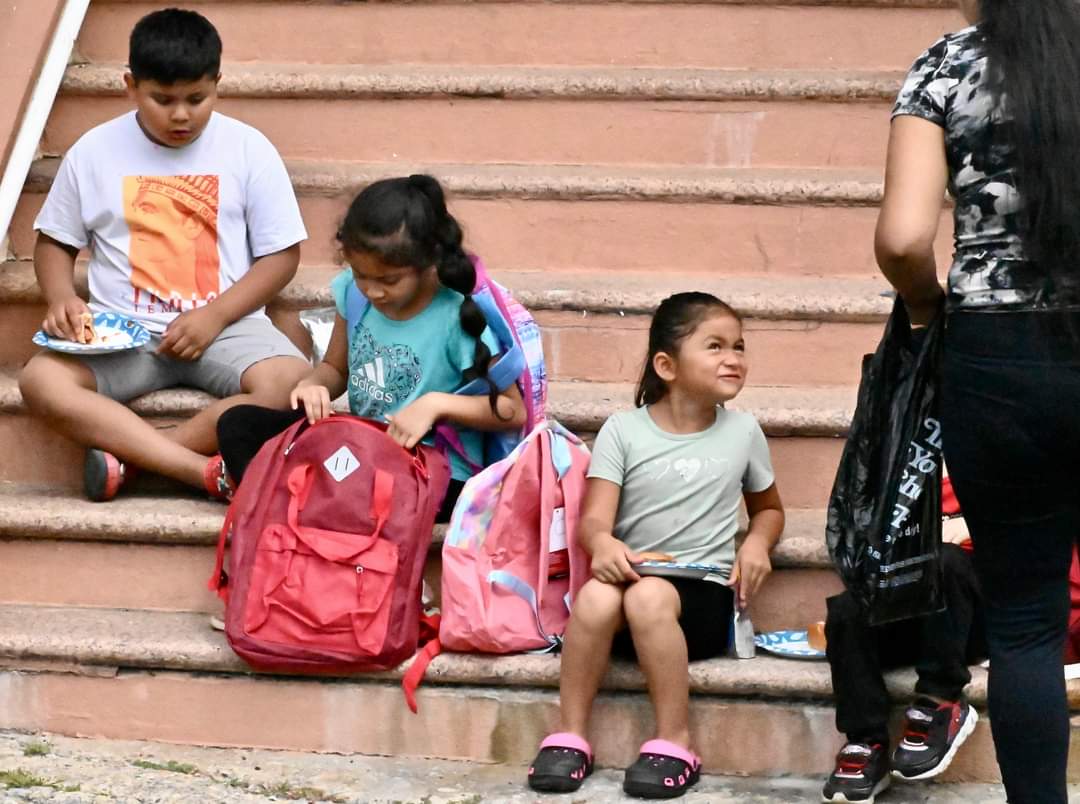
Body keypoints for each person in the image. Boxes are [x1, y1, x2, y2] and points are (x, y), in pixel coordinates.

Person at [874, 1, 1080, 800]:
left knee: (1026, 626)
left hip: (1000, 362)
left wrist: (928, 307)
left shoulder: (948, 64)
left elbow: (901, 239)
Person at [18, 8, 310, 502]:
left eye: (197, 98)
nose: (181, 114)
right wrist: (61, 297)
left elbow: (282, 255)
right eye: (163, 99)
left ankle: (134, 462)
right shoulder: (94, 151)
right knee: (41, 381)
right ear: (130, 85)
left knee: (293, 384)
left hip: (227, 325)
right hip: (123, 332)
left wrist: (215, 315)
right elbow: (55, 241)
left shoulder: (248, 149)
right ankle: (196, 471)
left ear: (218, 82)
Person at [526, 292, 784, 799]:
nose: (733, 358)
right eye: (715, 346)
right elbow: (593, 521)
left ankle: (675, 739)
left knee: (649, 598)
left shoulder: (743, 431)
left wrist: (757, 543)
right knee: (599, 597)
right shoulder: (624, 430)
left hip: (703, 600)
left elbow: (769, 509)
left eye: (739, 346)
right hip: (633, 585)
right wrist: (602, 546)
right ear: (666, 365)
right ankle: (571, 734)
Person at [216, 175, 526, 522]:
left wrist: (436, 405)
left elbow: (513, 410)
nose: (373, 291)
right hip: (362, 448)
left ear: (428, 264)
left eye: (389, 281)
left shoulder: (457, 314)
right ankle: (305, 502)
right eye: (361, 274)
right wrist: (313, 385)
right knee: (237, 423)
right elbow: (335, 369)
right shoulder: (353, 291)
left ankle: (293, 503)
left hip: (428, 469)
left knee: (363, 490)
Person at [821, 475, 987, 804]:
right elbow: (855, 531)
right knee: (847, 610)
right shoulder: (894, 456)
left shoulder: (990, 442)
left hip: (971, 613)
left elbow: (1031, 516)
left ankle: (940, 701)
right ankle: (868, 743)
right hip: (908, 600)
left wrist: (971, 526)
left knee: (946, 560)